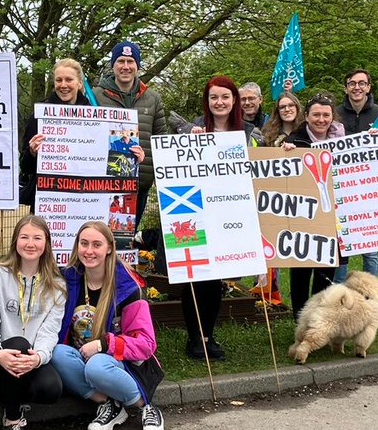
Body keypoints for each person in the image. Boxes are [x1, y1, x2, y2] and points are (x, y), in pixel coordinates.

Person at [53, 221, 165, 430]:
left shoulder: (128, 288)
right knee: (56, 354)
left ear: (110, 248)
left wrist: (104, 344)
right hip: (79, 356)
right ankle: (109, 403)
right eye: (84, 244)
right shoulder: (68, 279)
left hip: (120, 361)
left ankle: (145, 406)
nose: (89, 251)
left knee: (97, 366)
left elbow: (146, 344)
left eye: (97, 244)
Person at [0, 215, 67, 430]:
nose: (30, 243)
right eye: (24, 237)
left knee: (51, 388)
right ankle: (12, 422)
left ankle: (9, 392)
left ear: (47, 243)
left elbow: (49, 331)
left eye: (37, 238)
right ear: (15, 241)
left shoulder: (57, 284)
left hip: (28, 360)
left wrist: (38, 358)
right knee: (17, 342)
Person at [183, 75, 247, 360]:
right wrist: (187, 144)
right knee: (195, 276)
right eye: (213, 98)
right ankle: (194, 336)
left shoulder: (248, 134)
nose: (219, 102)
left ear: (234, 101)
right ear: (207, 103)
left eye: (224, 97)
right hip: (196, 214)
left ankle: (209, 334)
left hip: (230, 214)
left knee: (217, 277)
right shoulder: (193, 130)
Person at [280, 92, 345, 319]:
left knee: (326, 271)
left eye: (326, 115)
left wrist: (372, 138)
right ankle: (300, 318)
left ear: (332, 117)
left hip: (332, 217)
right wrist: (284, 153)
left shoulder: (344, 141)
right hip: (303, 215)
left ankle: (319, 318)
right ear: (306, 116)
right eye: (316, 114)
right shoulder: (293, 142)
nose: (321, 120)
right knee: (301, 270)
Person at [92, 42, 166, 217]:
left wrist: (149, 163)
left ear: (137, 66)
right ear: (113, 65)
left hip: (139, 185)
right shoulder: (96, 96)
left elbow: (161, 139)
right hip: (102, 184)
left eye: (130, 62)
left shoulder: (153, 98)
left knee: (128, 240)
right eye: (121, 61)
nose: (126, 67)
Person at [21, 57, 94, 208]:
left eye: (69, 79)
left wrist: (132, 156)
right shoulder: (40, 114)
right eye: (59, 80)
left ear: (79, 83)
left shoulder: (95, 116)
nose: (63, 85)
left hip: (84, 197)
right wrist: (32, 152)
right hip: (47, 199)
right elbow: (25, 166)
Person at [334, 68, 378, 277]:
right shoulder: (335, 114)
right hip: (341, 190)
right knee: (341, 247)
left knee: (369, 250)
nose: (357, 87)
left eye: (362, 83)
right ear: (346, 87)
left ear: (368, 87)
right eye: (352, 83)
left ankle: (369, 296)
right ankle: (338, 296)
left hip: (369, 191)